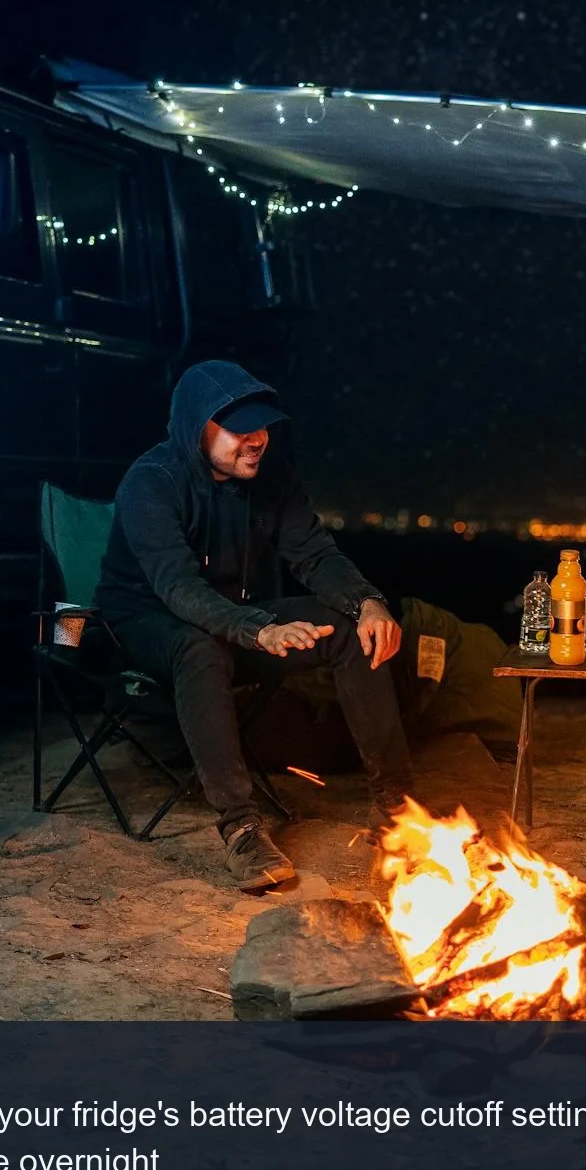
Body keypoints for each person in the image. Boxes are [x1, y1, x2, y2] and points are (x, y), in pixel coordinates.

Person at [96, 360, 414, 893]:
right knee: (199, 648)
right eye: (240, 431)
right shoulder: (151, 482)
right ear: (197, 429)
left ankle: (397, 807)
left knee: (350, 627)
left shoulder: (272, 476)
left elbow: (315, 555)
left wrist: (369, 603)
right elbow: (178, 588)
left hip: (235, 621)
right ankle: (242, 829)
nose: (257, 440)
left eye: (261, 427)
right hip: (146, 625)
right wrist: (258, 629)